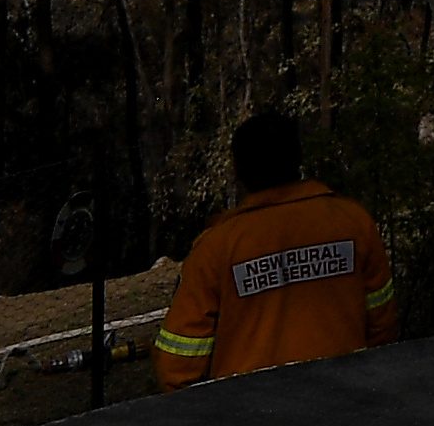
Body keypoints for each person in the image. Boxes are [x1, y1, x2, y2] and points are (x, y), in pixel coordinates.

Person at [150, 109, 400, 386]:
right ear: (297, 158)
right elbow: (383, 326)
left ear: (238, 170)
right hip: (346, 401)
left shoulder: (215, 249)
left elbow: (176, 365)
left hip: (251, 418)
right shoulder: (354, 223)